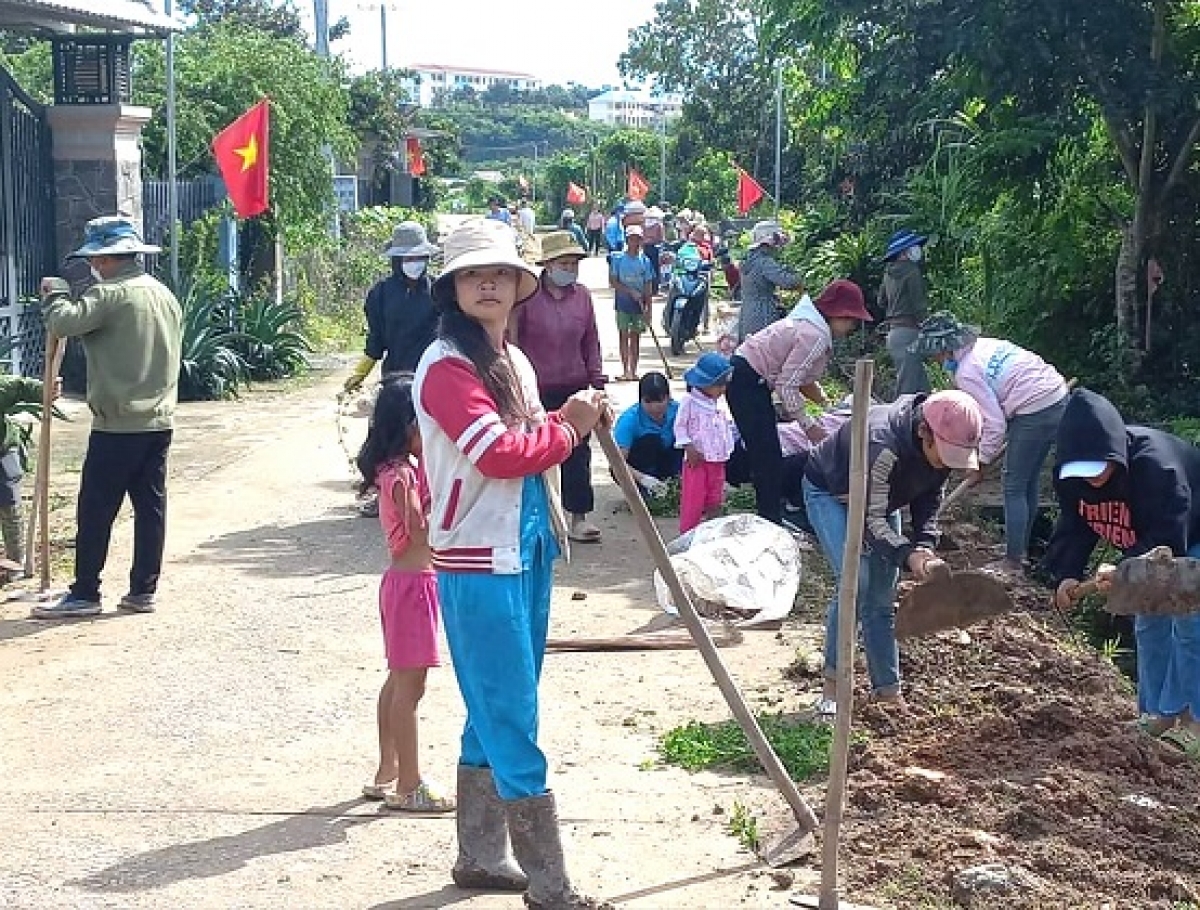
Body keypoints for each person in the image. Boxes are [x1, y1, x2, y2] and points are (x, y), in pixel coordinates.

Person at [413, 218, 610, 908]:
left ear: (519, 285)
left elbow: (526, 437)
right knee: (512, 709)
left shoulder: (513, 362)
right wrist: (569, 428)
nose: (488, 283)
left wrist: (568, 415)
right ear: (452, 289)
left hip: (525, 545)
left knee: (489, 704)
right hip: (475, 560)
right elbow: (497, 453)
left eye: (499, 273)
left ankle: (481, 853)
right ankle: (548, 882)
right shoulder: (445, 368)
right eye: (472, 274)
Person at [33, 215, 182, 619]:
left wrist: (56, 294)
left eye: (96, 259)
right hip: (158, 421)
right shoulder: (162, 294)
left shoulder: (111, 294)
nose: (93, 267)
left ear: (108, 258)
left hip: (117, 424)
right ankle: (142, 590)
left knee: (96, 509)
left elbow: (64, 322)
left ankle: (85, 592)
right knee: (150, 508)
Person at [803, 390, 984, 717]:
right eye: (944, 455)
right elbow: (871, 520)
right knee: (855, 584)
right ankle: (832, 687)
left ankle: (887, 693)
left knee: (882, 598)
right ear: (923, 432)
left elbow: (929, 501)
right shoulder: (882, 445)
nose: (946, 463)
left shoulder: (940, 449)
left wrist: (925, 547)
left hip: (881, 498)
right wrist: (907, 555)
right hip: (832, 492)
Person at [1045, 389, 1200, 755]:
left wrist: (1125, 565)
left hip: (1189, 537)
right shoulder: (1074, 482)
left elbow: (1168, 535)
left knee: (1190, 623)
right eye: (1082, 472)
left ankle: (1193, 720)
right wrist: (1066, 573)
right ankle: (1158, 714)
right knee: (1149, 621)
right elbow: (1075, 525)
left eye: (1098, 468)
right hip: (1143, 551)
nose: (1092, 480)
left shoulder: (1157, 468)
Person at [356, 373, 455, 813]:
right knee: (410, 689)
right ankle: (409, 783)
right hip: (415, 586)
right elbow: (422, 530)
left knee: (398, 680)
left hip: (403, 584)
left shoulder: (391, 472)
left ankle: (387, 771)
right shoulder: (405, 477)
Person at [909, 312, 1069, 573]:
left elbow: (994, 423)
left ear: (945, 349)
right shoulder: (983, 346)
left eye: (935, 355)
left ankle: (1013, 561)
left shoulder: (967, 371)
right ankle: (1019, 547)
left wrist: (980, 461)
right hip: (1055, 396)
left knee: (1013, 484)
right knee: (1025, 480)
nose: (935, 361)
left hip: (1035, 407)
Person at [727, 280, 873, 526]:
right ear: (838, 314)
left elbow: (801, 378)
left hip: (751, 376)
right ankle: (770, 520)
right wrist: (808, 425)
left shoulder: (808, 326)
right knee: (767, 455)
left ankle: (770, 513)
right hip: (748, 380)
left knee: (767, 452)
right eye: (850, 320)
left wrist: (826, 404)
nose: (850, 327)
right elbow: (788, 385)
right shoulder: (814, 336)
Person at [513, 231, 606, 544]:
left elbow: (591, 340)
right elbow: (512, 341)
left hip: (575, 385)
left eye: (574, 264)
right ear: (548, 265)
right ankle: (537, 520)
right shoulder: (526, 298)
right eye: (564, 263)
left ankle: (579, 516)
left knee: (577, 455)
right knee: (536, 453)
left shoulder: (582, 297)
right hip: (535, 389)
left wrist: (597, 380)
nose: (571, 269)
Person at [343, 221, 440, 395]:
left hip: (434, 379)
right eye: (408, 258)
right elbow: (376, 340)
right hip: (395, 381)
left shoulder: (440, 292)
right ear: (396, 260)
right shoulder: (380, 294)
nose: (415, 263)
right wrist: (359, 374)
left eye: (419, 257)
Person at [0, 374, 53, 579]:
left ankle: (16, 561)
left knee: (8, 501)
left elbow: (20, 386)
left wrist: (45, 390)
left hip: (3, 450)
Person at [675, 353, 735, 534]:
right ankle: (688, 534)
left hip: (717, 460)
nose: (723, 389)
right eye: (720, 385)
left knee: (715, 498)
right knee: (693, 500)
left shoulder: (717, 403)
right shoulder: (689, 402)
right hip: (697, 461)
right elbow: (679, 427)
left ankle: (711, 533)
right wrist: (688, 446)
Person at [879, 229, 932, 398]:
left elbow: (881, 301)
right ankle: (898, 422)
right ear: (905, 251)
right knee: (908, 389)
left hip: (894, 334)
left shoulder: (888, 273)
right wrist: (929, 328)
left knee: (920, 385)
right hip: (910, 332)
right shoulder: (912, 271)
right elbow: (918, 306)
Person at [613, 372, 681, 497]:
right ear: (640, 400)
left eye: (660, 400)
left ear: (669, 397)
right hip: (640, 468)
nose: (655, 407)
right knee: (651, 441)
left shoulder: (680, 412)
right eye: (648, 401)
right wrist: (643, 479)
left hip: (670, 462)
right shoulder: (629, 420)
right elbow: (617, 462)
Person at [737, 220, 804, 341]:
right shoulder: (764, 261)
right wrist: (802, 274)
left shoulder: (748, 259)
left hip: (747, 312)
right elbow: (788, 282)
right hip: (763, 313)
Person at [608, 225, 656, 382]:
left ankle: (633, 371)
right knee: (623, 335)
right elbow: (613, 282)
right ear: (627, 240)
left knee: (635, 337)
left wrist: (648, 309)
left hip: (639, 306)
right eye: (632, 239)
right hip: (623, 303)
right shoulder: (618, 259)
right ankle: (624, 370)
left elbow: (648, 286)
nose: (635, 242)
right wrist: (630, 291)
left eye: (638, 239)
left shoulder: (645, 261)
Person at [643, 206, 666, 296]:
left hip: (646, 247)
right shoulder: (658, 225)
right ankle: (655, 290)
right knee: (655, 269)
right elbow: (661, 238)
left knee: (647, 268)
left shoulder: (645, 224)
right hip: (655, 248)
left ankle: (646, 288)